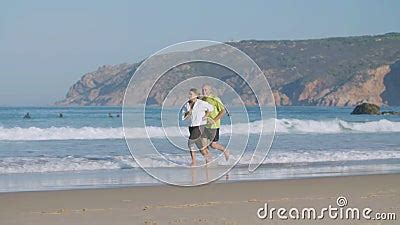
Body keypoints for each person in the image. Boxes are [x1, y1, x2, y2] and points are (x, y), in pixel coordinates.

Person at [182, 88, 214, 166]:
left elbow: (211, 108)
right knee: (200, 147)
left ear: (196, 95)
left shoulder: (201, 103)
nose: (189, 96)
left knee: (190, 143)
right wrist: (187, 113)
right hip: (191, 127)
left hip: (200, 126)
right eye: (189, 94)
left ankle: (194, 162)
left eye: (191, 94)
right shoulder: (186, 104)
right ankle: (209, 159)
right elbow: (183, 117)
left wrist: (206, 116)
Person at [201, 84, 229, 160]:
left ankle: (225, 150)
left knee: (213, 145)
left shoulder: (215, 99)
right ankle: (207, 163)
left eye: (205, 90)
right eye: (202, 90)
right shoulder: (203, 99)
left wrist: (214, 120)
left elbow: (223, 111)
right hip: (205, 126)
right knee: (203, 145)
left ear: (210, 90)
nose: (204, 91)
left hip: (214, 126)